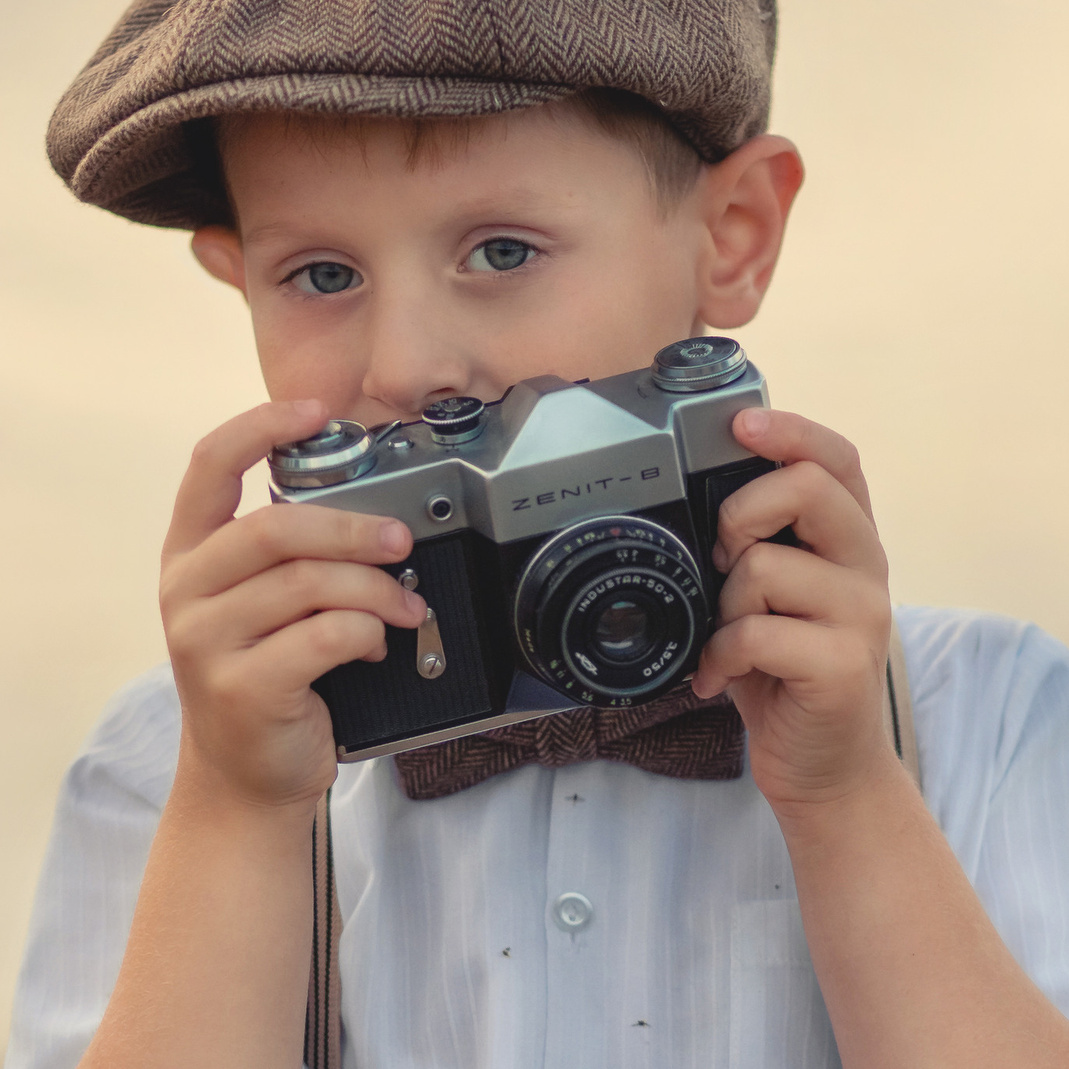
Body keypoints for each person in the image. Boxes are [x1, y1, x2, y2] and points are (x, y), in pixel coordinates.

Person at [8, 1, 1069, 1067]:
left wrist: (848, 800)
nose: (404, 366)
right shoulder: (165, 771)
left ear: (732, 234)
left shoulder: (990, 715)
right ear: (237, 279)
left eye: (501, 249)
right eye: (322, 276)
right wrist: (237, 815)